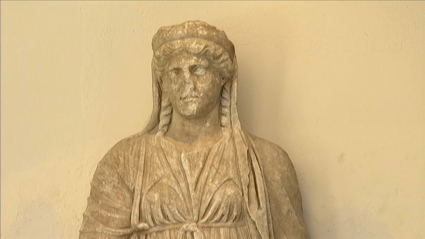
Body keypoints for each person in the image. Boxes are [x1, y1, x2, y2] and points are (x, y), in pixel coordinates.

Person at [80, 20, 310, 239]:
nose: (186, 83)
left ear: (222, 76)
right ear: (162, 83)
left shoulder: (268, 161)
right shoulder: (125, 161)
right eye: (175, 72)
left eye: (198, 70)